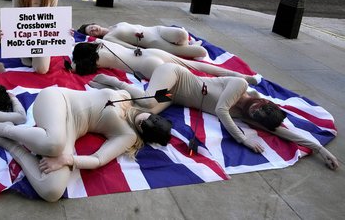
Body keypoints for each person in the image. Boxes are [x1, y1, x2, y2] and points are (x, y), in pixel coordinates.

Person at [89, 64, 339, 170]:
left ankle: (110, 88)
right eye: (253, 110)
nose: (249, 114)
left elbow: (282, 131)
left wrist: (319, 150)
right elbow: (220, 110)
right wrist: (242, 139)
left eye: (254, 117)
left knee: (150, 111)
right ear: (261, 101)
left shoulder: (250, 114)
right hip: (175, 76)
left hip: (175, 96)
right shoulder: (239, 85)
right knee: (149, 100)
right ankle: (112, 81)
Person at [0, 86, 172, 202]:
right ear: (154, 115)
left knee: (52, 191)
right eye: (150, 120)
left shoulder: (129, 135)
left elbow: (98, 159)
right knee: (53, 143)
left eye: (145, 128)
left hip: (69, 129)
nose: (142, 123)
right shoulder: (130, 97)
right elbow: (166, 94)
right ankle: (2, 129)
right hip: (58, 100)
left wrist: (66, 159)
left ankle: (10, 145)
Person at [71, 39, 253, 80]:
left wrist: (72, 63)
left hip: (147, 65)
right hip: (151, 53)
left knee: (193, 80)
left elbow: (79, 68)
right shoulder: (103, 45)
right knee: (195, 65)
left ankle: (232, 82)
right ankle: (241, 76)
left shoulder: (98, 59)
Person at [12, 0, 59, 74]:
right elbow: (14, 19)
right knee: (26, 62)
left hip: (43, 37)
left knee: (42, 70)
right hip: (24, 36)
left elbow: (54, 20)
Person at [77, 22, 207, 58]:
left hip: (157, 30)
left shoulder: (114, 25)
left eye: (92, 27)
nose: (94, 29)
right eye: (91, 31)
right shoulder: (108, 38)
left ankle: (185, 44)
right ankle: (188, 46)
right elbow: (126, 47)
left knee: (181, 34)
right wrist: (141, 51)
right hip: (154, 43)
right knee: (202, 52)